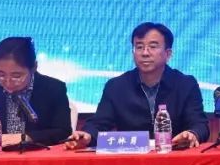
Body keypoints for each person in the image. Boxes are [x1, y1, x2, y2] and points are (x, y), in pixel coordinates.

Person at [65, 22, 209, 149]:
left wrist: (192, 134)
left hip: (173, 157)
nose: (145, 53)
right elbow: (98, 123)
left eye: (153, 46)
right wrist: (88, 135)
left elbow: (200, 124)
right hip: (130, 159)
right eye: (139, 47)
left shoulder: (185, 84)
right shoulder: (116, 86)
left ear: (168, 54)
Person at [0, 36, 72, 145]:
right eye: (1, 74)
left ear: (34, 67)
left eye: (16, 76)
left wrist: (27, 137)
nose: (8, 82)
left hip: (37, 156)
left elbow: (63, 131)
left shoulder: (53, 88)